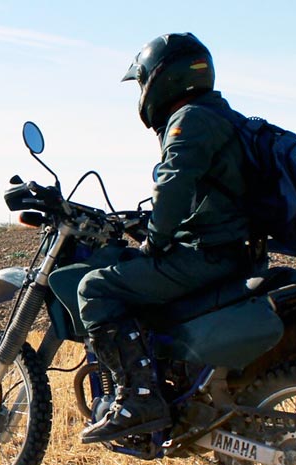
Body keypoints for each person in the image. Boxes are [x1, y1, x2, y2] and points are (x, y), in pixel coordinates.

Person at [77, 33, 254, 443]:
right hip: (235, 251)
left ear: (161, 80)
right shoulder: (227, 117)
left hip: (206, 255)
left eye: (142, 82)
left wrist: (154, 241)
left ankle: (139, 401)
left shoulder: (189, 119)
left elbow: (173, 186)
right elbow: (205, 194)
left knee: (96, 287)